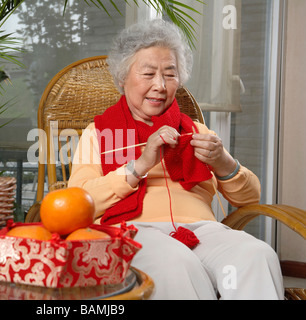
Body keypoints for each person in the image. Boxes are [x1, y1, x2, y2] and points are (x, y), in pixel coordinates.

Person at [67, 19, 284, 300]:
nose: (159, 85)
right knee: (176, 263)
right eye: (148, 73)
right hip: (133, 232)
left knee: (257, 255)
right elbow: (79, 201)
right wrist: (139, 166)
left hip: (204, 231)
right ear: (122, 78)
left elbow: (250, 197)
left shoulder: (197, 132)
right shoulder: (98, 134)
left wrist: (223, 163)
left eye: (170, 74)